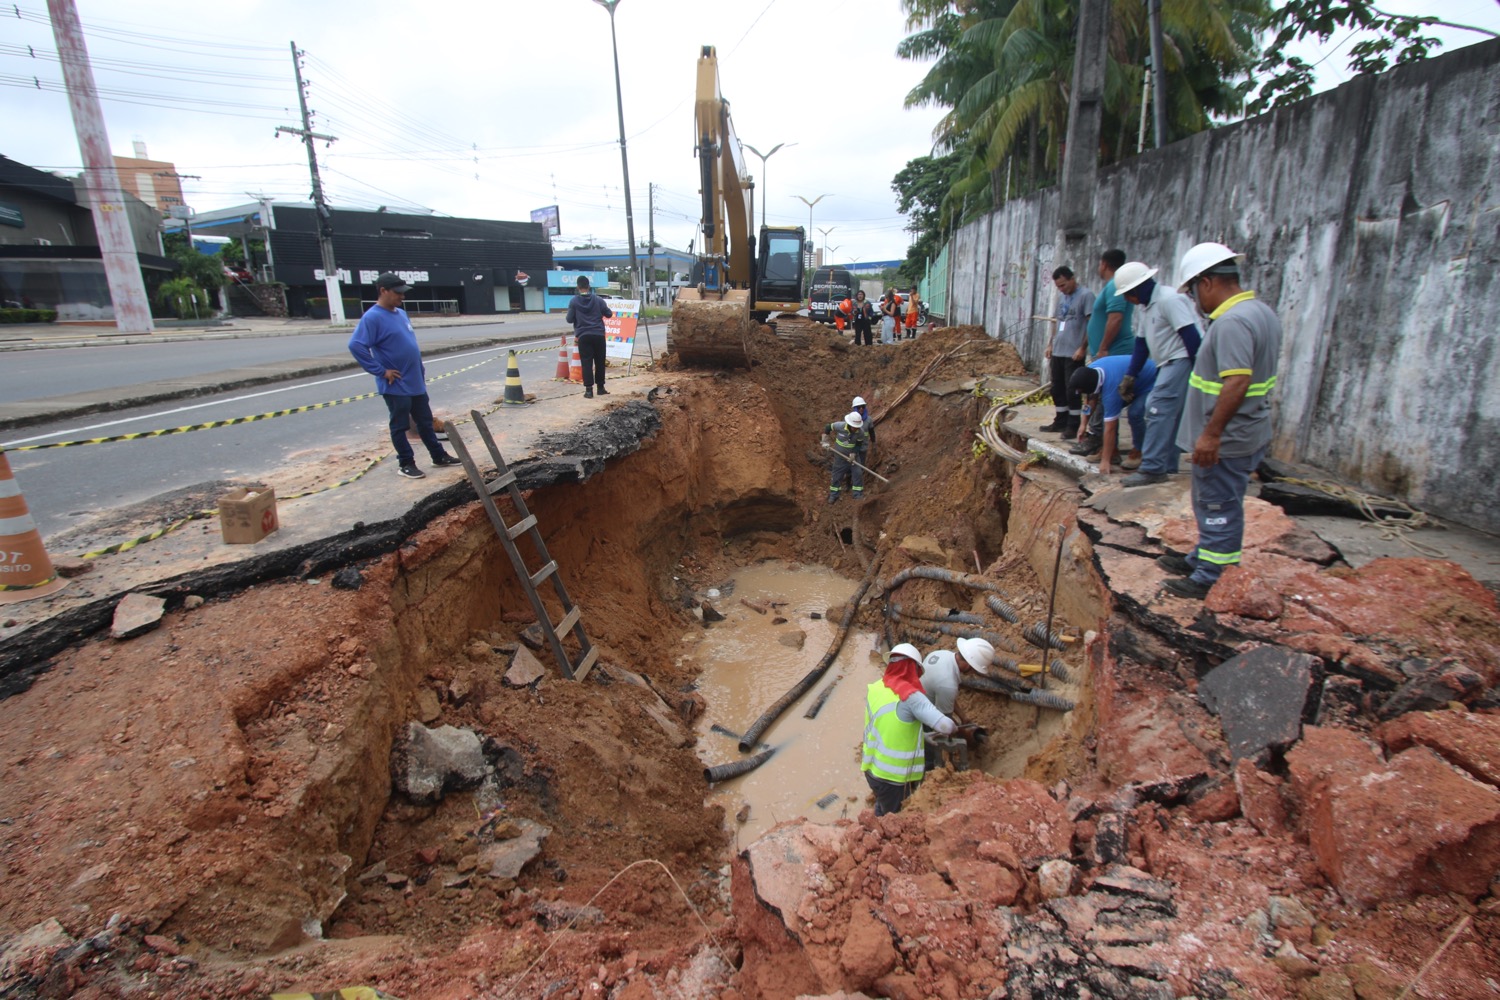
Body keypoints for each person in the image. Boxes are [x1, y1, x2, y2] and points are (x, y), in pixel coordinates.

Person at [1159, 242, 1282, 600]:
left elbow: (1238, 381)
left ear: (1208, 282)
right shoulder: (1260, 313)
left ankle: (1211, 576)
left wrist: (1211, 435)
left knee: (1217, 504)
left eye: (1194, 291)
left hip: (1228, 437)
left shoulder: (1233, 322)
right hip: (1245, 429)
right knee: (1215, 499)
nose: (1195, 301)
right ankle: (1203, 557)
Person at [347, 272, 462, 480]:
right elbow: (356, 345)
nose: (402, 297)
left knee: (425, 422)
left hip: (415, 381)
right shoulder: (372, 317)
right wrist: (381, 371)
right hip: (396, 384)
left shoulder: (400, 314)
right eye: (398, 293)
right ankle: (406, 463)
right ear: (383, 291)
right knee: (400, 425)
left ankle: (438, 456)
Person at [1114, 261, 1203, 487]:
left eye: (1127, 294)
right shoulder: (1147, 308)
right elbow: (1142, 345)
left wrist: (1200, 371)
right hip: (1166, 363)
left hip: (1181, 360)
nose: (1127, 300)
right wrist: (1130, 375)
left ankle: (1152, 467)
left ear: (1137, 289)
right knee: (1169, 416)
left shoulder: (1169, 300)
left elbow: (1191, 336)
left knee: (1156, 408)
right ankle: (1167, 466)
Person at [862, 643, 956, 816]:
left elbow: (891, 726)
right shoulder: (911, 697)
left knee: (883, 805)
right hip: (894, 778)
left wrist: (924, 737)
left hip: (871, 769)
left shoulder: (876, 687)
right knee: (895, 819)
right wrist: (957, 726)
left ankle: (877, 818)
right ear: (913, 670)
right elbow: (945, 726)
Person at [1074, 249, 1137, 456]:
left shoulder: (1114, 286)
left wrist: (1103, 348)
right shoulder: (1113, 286)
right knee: (1096, 396)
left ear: (1104, 264)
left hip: (1112, 353)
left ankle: (1101, 442)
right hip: (1106, 353)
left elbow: (1115, 318)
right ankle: (1101, 441)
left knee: (1104, 399)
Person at [1069, 355, 1157, 475]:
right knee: (1106, 412)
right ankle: (1113, 452)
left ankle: (1139, 451)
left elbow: (1110, 427)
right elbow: (1090, 400)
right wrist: (1083, 425)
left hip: (1150, 381)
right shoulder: (1090, 371)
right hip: (1129, 379)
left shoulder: (1111, 391)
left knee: (1134, 413)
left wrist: (1105, 462)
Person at [919, 637, 995, 771]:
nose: (972, 673)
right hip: (922, 716)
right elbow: (944, 723)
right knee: (930, 754)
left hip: (919, 700)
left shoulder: (942, 655)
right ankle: (929, 773)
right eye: (974, 670)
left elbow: (945, 695)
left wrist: (963, 717)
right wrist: (963, 731)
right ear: (967, 664)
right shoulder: (947, 683)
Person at [1042, 266, 1094, 438]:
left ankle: (1073, 424)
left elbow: (1091, 324)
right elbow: (1057, 323)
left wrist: (1083, 347)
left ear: (1072, 279)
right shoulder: (1062, 299)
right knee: (1057, 388)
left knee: (1072, 390)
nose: (1062, 289)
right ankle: (1060, 420)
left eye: (1063, 285)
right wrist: (1050, 344)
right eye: (1059, 287)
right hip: (1059, 350)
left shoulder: (1086, 296)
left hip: (1073, 352)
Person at [565, 275, 613, 399]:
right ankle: (601, 388)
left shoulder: (574, 301)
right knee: (600, 362)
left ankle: (588, 391)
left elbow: (569, 319)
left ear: (578, 287)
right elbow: (609, 314)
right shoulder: (598, 300)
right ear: (589, 286)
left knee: (586, 363)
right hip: (598, 334)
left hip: (583, 336)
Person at [822, 410, 869, 503]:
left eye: (857, 427)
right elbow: (827, 427)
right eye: (854, 427)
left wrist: (854, 453)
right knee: (837, 475)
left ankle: (857, 494)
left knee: (858, 473)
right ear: (849, 424)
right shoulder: (840, 426)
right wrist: (825, 441)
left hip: (853, 456)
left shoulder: (860, 432)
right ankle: (834, 495)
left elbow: (859, 444)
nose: (856, 429)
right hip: (840, 457)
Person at [851, 395, 876, 472]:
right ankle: (848, 481)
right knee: (850, 465)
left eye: (863, 406)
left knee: (861, 466)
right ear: (855, 408)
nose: (861, 408)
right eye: (859, 407)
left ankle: (859, 481)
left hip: (863, 447)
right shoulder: (850, 419)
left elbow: (871, 432)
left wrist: (874, 444)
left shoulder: (868, 420)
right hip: (852, 446)